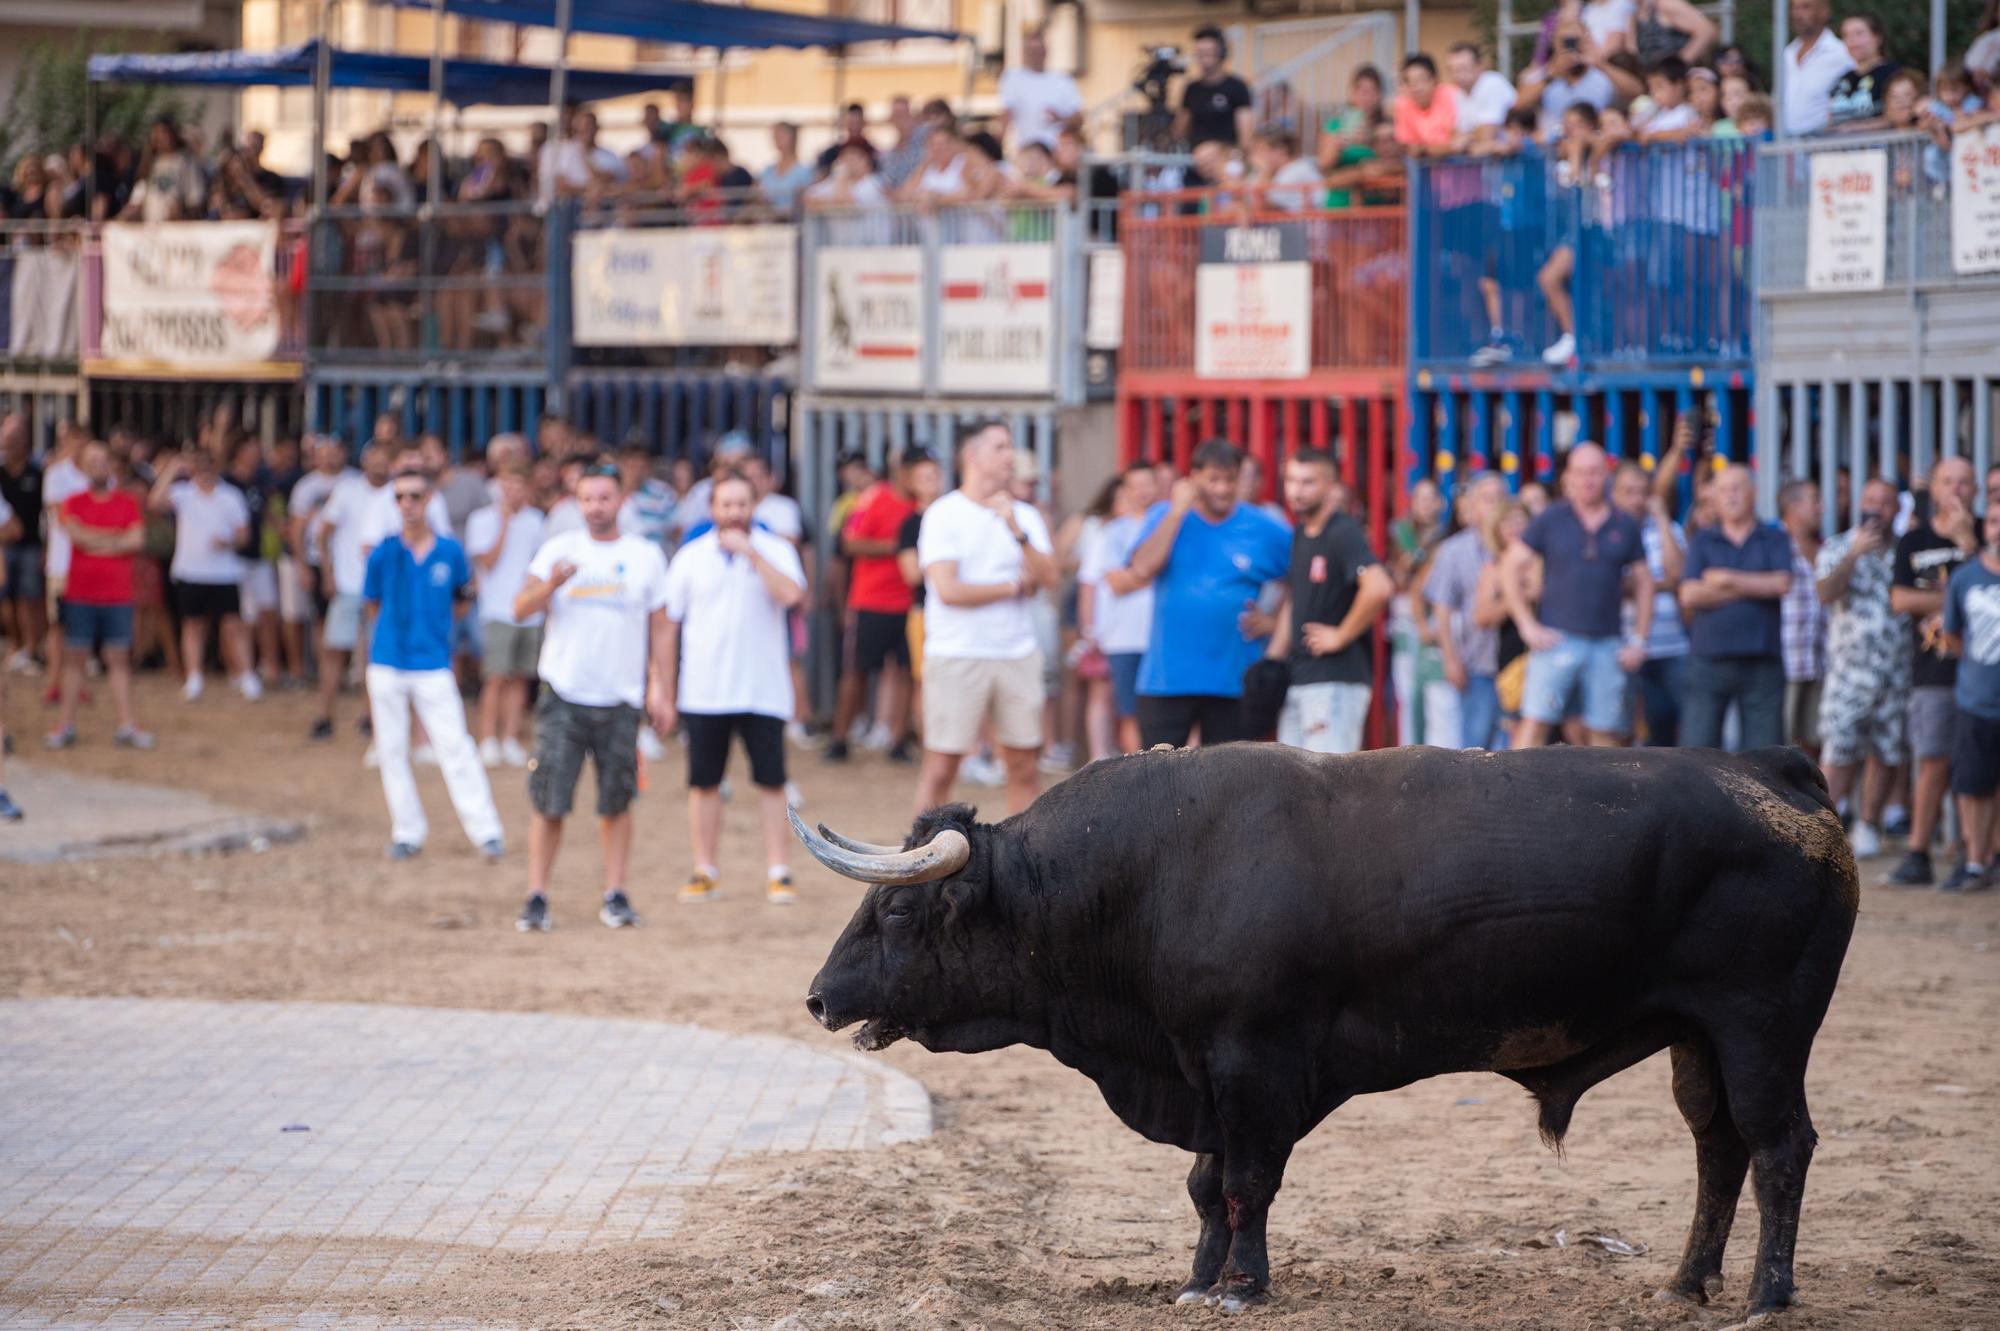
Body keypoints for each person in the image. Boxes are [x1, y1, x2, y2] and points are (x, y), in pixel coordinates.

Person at [513, 463, 673, 933]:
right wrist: (551, 585)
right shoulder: (559, 550)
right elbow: (520, 608)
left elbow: (661, 627)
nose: (596, 507)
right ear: (576, 502)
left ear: (620, 500)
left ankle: (616, 894)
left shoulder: (644, 555)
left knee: (617, 801)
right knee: (550, 800)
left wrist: (662, 688)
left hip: (621, 698)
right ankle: (537, 895)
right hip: (563, 694)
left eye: (604, 497)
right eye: (587, 499)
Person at [658, 470, 808, 905]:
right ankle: (705, 868)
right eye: (726, 505)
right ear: (713, 509)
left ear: (754, 506)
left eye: (742, 504)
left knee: (771, 782)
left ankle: (779, 870)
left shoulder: (777, 549)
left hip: (764, 690)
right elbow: (668, 624)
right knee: (703, 783)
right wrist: (663, 686)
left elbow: (792, 596)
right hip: (704, 690)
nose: (735, 513)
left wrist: (754, 556)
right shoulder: (690, 556)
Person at [913, 420, 1057, 816]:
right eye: (1001, 446)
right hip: (957, 653)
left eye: (1010, 447)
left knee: (1024, 763)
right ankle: (918, 865)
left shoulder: (1024, 516)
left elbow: (1049, 579)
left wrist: (1017, 532)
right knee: (942, 766)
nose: (1011, 455)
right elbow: (950, 590)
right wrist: (1012, 587)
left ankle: (1023, 863)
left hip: (1017, 652)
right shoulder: (943, 514)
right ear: (971, 456)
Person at [360, 468, 503, 863]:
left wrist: (436, 631)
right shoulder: (384, 552)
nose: (408, 504)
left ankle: (485, 830)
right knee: (392, 749)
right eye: (401, 497)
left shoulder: (450, 551)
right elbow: (372, 604)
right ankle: (407, 831)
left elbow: (462, 599)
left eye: (416, 496)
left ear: (429, 500)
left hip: (432, 662)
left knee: (455, 746)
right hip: (388, 661)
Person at [1124, 440, 1292, 750]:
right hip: (1167, 677)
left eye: (1231, 479)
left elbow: (1299, 577)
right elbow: (1142, 568)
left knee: (1230, 788)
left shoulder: (1263, 526)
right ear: (1193, 477)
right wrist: (1176, 512)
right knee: (1155, 781)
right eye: (1214, 479)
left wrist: (1274, 623)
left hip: (1234, 679)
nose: (1223, 489)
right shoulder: (1165, 514)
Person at [1503, 443, 1654, 748]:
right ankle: (1515, 793)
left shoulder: (1624, 524)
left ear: (1606, 476)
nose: (1588, 480)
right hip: (1555, 639)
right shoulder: (1551, 518)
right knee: (1533, 725)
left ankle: (1603, 797)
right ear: (1568, 477)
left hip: (1606, 643)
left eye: (1595, 472)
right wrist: (1526, 624)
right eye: (1581, 473)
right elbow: (1510, 567)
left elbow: (1644, 582)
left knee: (1604, 733)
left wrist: (1639, 639)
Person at [1268, 449, 1393, 754]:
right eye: (1292, 480)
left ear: (1331, 485)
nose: (1297, 490)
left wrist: (1341, 635)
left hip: (1336, 680)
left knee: (1329, 786)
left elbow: (1379, 587)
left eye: (1308, 482)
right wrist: (1273, 658)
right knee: (1290, 782)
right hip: (1300, 677)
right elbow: (1296, 596)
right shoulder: (1301, 531)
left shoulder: (1343, 531)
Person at [1892, 457, 1980, 877]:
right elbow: (1900, 601)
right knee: (1932, 762)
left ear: (1976, 489)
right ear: (1935, 489)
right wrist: (1959, 597)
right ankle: (1918, 853)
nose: (1957, 490)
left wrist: (1968, 545)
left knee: (1977, 764)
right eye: (1948, 481)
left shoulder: (1984, 533)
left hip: (1982, 668)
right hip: (1933, 669)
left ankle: (1974, 853)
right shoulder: (1913, 540)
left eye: (1965, 482)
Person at [1815, 477, 1908, 866]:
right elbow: (1825, 593)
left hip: (1896, 671)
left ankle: (1868, 824)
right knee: (1839, 750)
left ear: (1896, 510)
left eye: (1885, 502)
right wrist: (1853, 555)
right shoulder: (1837, 545)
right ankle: (1822, 829)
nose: (1876, 508)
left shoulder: (1905, 552)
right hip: (1849, 674)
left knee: (1886, 750)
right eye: (1870, 500)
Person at [1677, 465, 1792, 750]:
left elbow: (1781, 585)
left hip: (1762, 660)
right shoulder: (1702, 539)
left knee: (1764, 756)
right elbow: (1689, 595)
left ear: (1753, 493)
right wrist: (1754, 587)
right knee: (1698, 751)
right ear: (1714, 497)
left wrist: (1726, 579)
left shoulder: (1774, 536)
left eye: (1737, 488)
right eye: (1724, 490)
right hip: (1708, 660)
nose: (1731, 496)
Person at [47, 440, 151, 751]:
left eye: (102, 460)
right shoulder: (73, 500)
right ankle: (65, 725)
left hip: (117, 594)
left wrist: (93, 540)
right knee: (75, 658)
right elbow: (74, 533)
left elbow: (136, 540)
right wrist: (115, 540)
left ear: (111, 465)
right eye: (91, 460)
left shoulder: (127, 502)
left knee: (118, 658)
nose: (97, 466)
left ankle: (126, 724)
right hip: (80, 592)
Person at [828, 450, 922, 763]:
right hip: (871, 601)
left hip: (908, 604)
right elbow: (849, 542)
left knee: (908, 672)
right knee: (856, 671)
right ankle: (839, 738)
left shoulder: (925, 506)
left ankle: (898, 740)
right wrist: (899, 547)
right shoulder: (873, 498)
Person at [149, 449, 259, 703]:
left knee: (233, 626)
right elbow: (154, 502)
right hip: (191, 572)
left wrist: (228, 543)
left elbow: (244, 535)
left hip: (225, 573)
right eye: (199, 465)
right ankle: (194, 678)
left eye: (208, 465)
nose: (204, 470)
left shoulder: (230, 496)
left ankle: (247, 676)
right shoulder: (183, 493)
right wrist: (172, 470)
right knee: (193, 626)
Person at [464, 463, 545, 768]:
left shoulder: (537, 521)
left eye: (518, 485)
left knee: (520, 678)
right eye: (507, 485)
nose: (512, 492)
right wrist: (504, 525)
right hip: (497, 610)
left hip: (528, 613)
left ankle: (510, 738)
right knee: (495, 677)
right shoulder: (482, 520)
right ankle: (487, 739)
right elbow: (487, 561)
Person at [1079, 463, 1160, 759]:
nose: (1142, 492)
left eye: (1147, 483)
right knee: (1129, 711)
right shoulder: (1111, 533)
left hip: (1162, 638)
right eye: (1134, 485)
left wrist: (1135, 573)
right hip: (1123, 637)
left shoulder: (1172, 526)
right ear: (1125, 491)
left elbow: (1126, 578)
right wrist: (1154, 571)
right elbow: (1114, 583)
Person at [1939, 501, 2000, 893]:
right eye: (1994, 521)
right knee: (1972, 785)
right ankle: (1975, 861)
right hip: (1976, 701)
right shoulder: (1964, 577)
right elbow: (1954, 637)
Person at [1426, 474, 1509, 749]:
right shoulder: (1453, 550)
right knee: (1477, 748)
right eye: (1487, 499)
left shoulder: (1520, 547)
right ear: (1471, 509)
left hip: (1517, 664)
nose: (1495, 506)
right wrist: (1450, 659)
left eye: (1500, 498)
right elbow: (1441, 609)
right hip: (1476, 662)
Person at [1778, 478, 1828, 761]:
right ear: (1792, 506)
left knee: (1815, 742)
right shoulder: (1774, 545)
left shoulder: (1825, 548)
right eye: (1814, 501)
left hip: (1819, 660)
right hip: (1787, 660)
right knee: (1783, 745)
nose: (1821, 508)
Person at [0, 414, 46, 674]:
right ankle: (16, 646)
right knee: (7, 600)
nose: (12, 442)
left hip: (30, 545)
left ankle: (30, 648)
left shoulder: (37, 473)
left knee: (29, 599)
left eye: (17, 437)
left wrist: (47, 548)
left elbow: (46, 516)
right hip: (5, 545)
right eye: (8, 438)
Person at [1779, 0, 1856, 136]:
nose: (1797, 14)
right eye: (1794, 8)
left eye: (1806, 7)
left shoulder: (1841, 52)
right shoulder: (1787, 53)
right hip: (1787, 145)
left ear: (1824, 12)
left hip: (1825, 143)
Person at [998, 29, 1083, 150]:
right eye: (1032, 51)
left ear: (1046, 51)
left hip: (1056, 152)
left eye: (1039, 51)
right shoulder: (1013, 78)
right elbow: (1007, 114)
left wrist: (1060, 118)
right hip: (1025, 150)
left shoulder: (1063, 80)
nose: (1036, 55)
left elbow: (1079, 118)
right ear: (1025, 53)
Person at [1175, 26, 1255, 149]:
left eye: (1208, 53)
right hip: (1195, 159)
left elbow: (1246, 135)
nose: (1203, 58)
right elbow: (1180, 129)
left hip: (1226, 159)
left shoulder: (1237, 87)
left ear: (1221, 52)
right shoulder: (1192, 89)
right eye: (1199, 53)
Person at [1827, 11, 1900, 130]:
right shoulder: (1844, 78)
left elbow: (1898, 118)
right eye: (1846, 35)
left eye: (1859, 33)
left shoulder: (1893, 74)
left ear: (1877, 37)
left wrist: (1855, 128)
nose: (1852, 40)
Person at [1392, 54, 1463, 156]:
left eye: (1422, 80)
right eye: (1410, 82)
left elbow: (1460, 143)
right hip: (1425, 169)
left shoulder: (1452, 96)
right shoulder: (1402, 104)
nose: (1416, 88)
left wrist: (1424, 150)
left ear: (1435, 79)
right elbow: (1410, 149)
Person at [1447, 42, 1518, 139]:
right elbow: (1457, 135)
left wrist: (1467, 137)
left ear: (1480, 66)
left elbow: (1487, 135)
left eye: (1463, 68)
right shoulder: (1460, 94)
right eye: (1453, 70)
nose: (1458, 75)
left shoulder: (1491, 82)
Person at [759, 122, 816, 213]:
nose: (776, 140)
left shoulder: (805, 171)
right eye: (775, 136)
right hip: (769, 221)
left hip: (793, 221)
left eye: (781, 136)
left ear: (792, 138)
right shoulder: (768, 170)